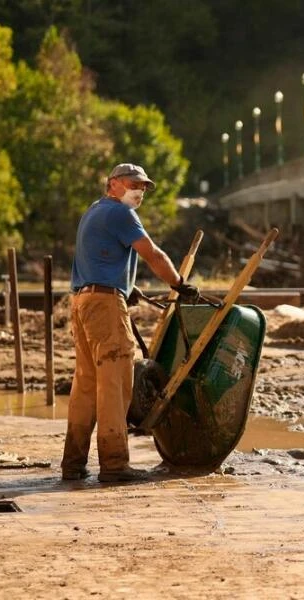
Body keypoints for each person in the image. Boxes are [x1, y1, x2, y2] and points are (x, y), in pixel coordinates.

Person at [61, 163, 200, 483]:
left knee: (86, 385)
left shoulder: (93, 212)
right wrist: (180, 284)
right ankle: (113, 464)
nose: (139, 191)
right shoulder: (122, 215)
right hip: (104, 307)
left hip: (82, 303)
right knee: (115, 382)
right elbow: (152, 254)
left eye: (144, 187)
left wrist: (124, 286)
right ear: (113, 184)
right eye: (133, 184)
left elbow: (100, 257)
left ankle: (73, 463)